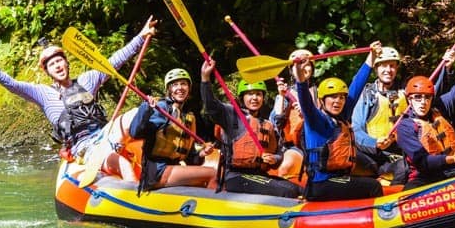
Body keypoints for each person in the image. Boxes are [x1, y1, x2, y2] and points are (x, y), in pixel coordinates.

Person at [0, 17, 157, 180]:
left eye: (59, 60)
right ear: (47, 71)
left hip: (106, 133)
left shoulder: (88, 80)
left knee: (135, 113)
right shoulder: (43, 94)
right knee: (123, 164)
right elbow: (14, 85)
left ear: (66, 62)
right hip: (84, 146)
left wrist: (141, 36)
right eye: (52, 64)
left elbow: (114, 61)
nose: (58, 66)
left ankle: (157, 153)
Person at [292, 41, 384, 201]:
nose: (338, 101)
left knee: (371, 175)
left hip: (336, 180)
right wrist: (300, 79)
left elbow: (356, 86)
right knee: (373, 186)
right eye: (333, 97)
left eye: (341, 97)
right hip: (320, 184)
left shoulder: (342, 115)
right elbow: (305, 101)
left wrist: (372, 57)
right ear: (322, 100)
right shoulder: (316, 119)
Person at [351, 47, 455, 185]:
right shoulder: (367, 96)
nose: (388, 70)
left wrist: (446, 68)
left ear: (397, 68)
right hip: (374, 155)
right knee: (400, 169)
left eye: (392, 66)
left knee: (407, 166)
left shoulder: (406, 90)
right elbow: (356, 129)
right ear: (376, 68)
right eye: (383, 65)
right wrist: (374, 143)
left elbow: (431, 92)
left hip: (403, 152)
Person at [200, 58, 301, 198]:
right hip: (236, 176)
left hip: (258, 175)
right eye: (250, 94)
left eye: (258, 94)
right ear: (242, 98)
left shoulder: (267, 124)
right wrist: (205, 78)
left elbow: (278, 153)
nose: (254, 98)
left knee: (297, 189)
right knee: (287, 191)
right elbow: (211, 106)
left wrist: (274, 159)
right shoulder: (231, 115)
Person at [396, 58, 455, 191]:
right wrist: (451, 158)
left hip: (453, 170)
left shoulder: (439, 109)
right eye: (418, 97)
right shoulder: (405, 126)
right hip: (424, 175)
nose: (423, 102)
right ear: (409, 99)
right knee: (409, 193)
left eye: (427, 97)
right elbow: (423, 161)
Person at [128, 68, 216, 193]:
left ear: (189, 88)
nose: (180, 88)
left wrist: (202, 153)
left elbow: (191, 159)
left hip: (174, 167)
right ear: (169, 89)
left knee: (203, 183)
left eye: (183, 84)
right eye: (175, 84)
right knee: (212, 173)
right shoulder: (161, 108)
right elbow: (135, 133)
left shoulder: (188, 117)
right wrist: (145, 109)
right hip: (156, 171)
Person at [270, 49, 317, 184]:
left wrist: (308, 113)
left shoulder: (318, 92)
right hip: (294, 146)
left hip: (316, 144)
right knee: (287, 166)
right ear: (292, 70)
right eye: (298, 64)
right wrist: (281, 96)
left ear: (312, 69)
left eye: (306, 64)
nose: (302, 67)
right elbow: (275, 123)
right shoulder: (286, 93)